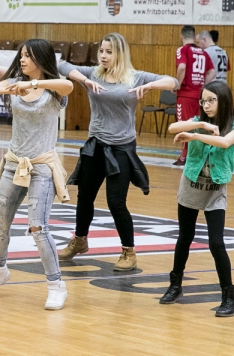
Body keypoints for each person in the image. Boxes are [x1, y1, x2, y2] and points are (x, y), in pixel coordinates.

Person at [58, 33, 179, 270]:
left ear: (120, 54)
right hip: (95, 146)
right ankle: (79, 240)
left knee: (116, 202)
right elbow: (61, 65)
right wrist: (82, 79)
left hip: (122, 148)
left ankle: (128, 252)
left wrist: (151, 85)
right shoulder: (93, 73)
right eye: (102, 51)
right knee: (84, 197)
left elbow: (173, 82)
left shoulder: (135, 78)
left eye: (109, 52)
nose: (103, 55)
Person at [0, 39, 73, 309]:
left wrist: (34, 84)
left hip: (41, 166)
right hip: (14, 164)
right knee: (0, 222)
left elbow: (69, 86)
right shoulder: (15, 82)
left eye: (28, 56)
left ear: (41, 59)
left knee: (38, 227)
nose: (22, 60)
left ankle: (56, 285)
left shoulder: (52, 89)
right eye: (22, 55)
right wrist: (14, 85)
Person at [160, 82, 234, 318]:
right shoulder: (198, 120)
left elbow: (225, 142)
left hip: (215, 192)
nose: (206, 105)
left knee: (216, 243)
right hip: (190, 186)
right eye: (203, 101)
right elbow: (172, 127)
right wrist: (199, 124)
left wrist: (196, 135)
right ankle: (175, 286)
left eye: (211, 100)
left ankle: (229, 296)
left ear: (223, 100)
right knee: (184, 238)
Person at [175, 26, 216, 166]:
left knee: (184, 126)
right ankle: (199, 157)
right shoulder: (203, 52)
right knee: (199, 126)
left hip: (186, 95)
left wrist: (177, 84)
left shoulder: (183, 50)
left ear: (182, 36)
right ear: (194, 36)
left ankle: (184, 157)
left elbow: (181, 67)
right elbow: (212, 72)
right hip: (199, 96)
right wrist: (202, 86)